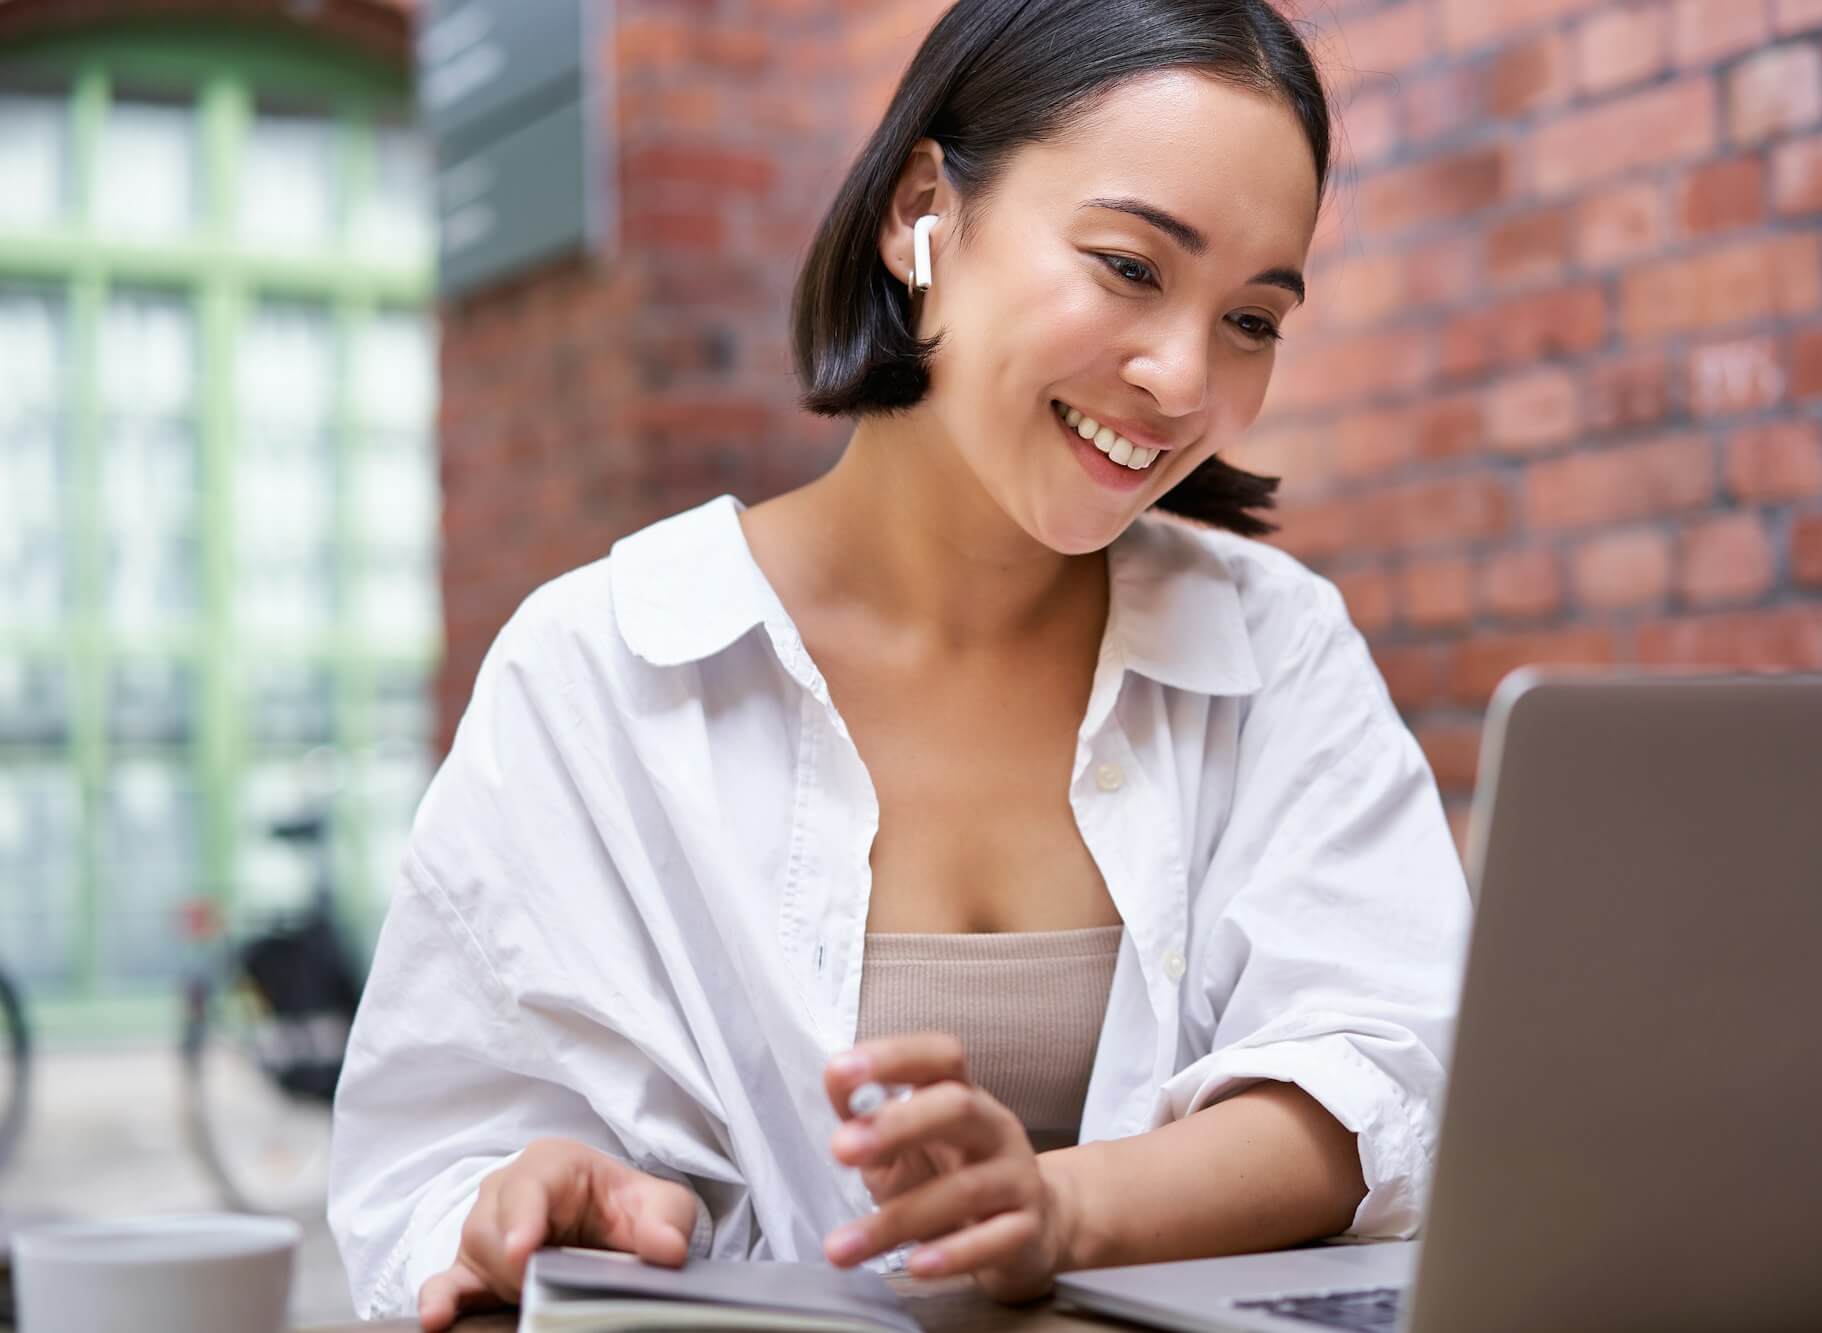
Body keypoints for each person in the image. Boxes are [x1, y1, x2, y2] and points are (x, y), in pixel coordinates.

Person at [327, 0, 1470, 1327]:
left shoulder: (1275, 648)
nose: (1181, 378)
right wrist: (539, 1203)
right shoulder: (601, 670)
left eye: (1254, 322)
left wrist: (1061, 1209)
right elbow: (428, 1166)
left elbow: (1385, 1076)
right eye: (1130, 266)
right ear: (922, 209)